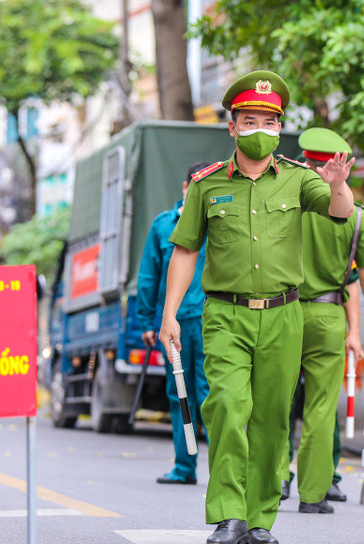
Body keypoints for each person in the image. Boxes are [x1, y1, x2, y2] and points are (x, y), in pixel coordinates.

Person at [159, 70, 355, 544]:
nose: (261, 129)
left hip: (284, 316)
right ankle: (229, 515)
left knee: (271, 417)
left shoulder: (297, 179)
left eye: (270, 121)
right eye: (251, 119)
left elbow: (341, 211)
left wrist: (337, 184)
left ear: (280, 126)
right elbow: (185, 251)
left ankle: (260, 519)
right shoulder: (206, 186)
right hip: (225, 314)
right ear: (232, 126)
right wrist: (169, 314)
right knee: (226, 405)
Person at [280, 128, 364, 514]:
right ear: (342, 166)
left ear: (305, 161)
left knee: (278, 401)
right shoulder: (357, 217)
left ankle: (277, 477)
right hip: (329, 316)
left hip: (284, 310)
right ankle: (313, 494)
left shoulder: (288, 203)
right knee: (321, 408)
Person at [138, 160, 211, 485]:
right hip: (176, 325)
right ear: (185, 187)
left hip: (213, 323)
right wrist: (146, 321)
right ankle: (184, 467)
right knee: (180, 393)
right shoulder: (163, 225)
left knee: (214, 394)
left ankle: (228, 471)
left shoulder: (220, 221)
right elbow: (149, 275)